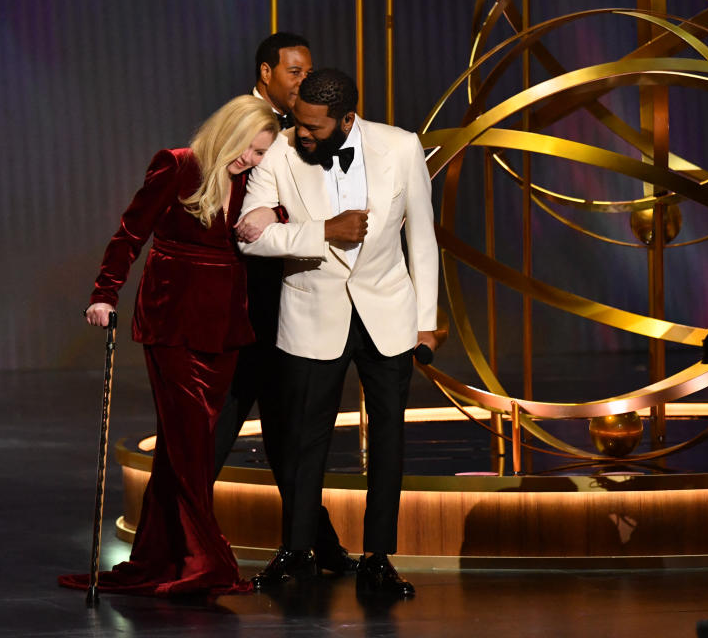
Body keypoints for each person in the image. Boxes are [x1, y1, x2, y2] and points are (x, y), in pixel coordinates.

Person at [58, 95, 280, 596]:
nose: (252, 158)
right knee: (187, 442)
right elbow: (130, 232)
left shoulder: (258, 183)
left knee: (191, 442)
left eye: (263, 152)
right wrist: (103, 293)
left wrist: (273, 212)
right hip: (172, 316)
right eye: (250, 146)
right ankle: (205, 559)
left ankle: (163, 556)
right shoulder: (180, 165)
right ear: (230, 130)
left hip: (224, 323)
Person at [234, 68, 440, 597]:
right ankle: (297, 552)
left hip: (388, 317)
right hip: (311, 314)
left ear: (347, 118)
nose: (301, 134)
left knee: (389, 439)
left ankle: (377, 558)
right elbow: (251, 237)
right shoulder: (279, 152)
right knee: (305, 441)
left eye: (313, 127)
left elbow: (422, 237)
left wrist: (426, 321)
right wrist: (323, 230)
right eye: (298, 122)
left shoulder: (400, 146)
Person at [213, 33, 358, 576]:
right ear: (267, 71)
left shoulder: (309, 134)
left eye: (308, 72)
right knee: (229, 422)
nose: (304, 81)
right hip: (245, 301)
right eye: (295, 72)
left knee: (285, 430)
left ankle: (315, 543)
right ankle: (178, 540)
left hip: (289, 299)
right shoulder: (245, 126)